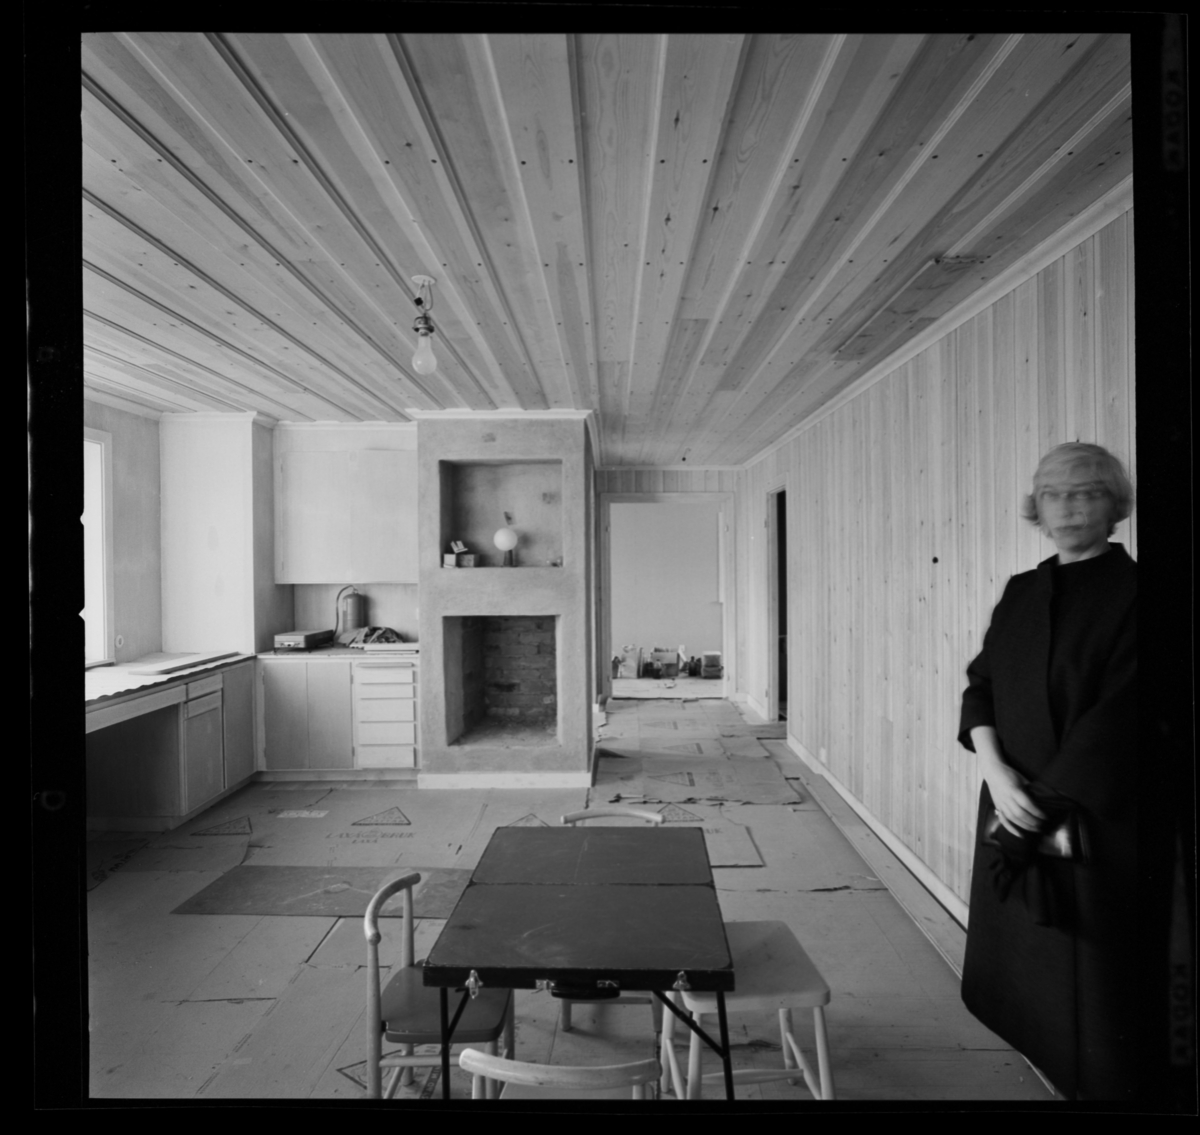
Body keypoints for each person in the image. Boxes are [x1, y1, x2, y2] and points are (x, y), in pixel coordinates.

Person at [958, 442, 1137, 1101]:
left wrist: (1037, 804)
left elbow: (1121, 718)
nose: (1069, 507)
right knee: (1018, 965)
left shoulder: (1139, 593)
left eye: (1087, 492)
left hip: (1088, 816)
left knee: (1089, 978)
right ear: (1037, 506)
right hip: (1008, 801)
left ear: (1116, 505)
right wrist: (995, 772)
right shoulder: (1022, 592)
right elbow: (981, 686)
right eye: (1054, 494)